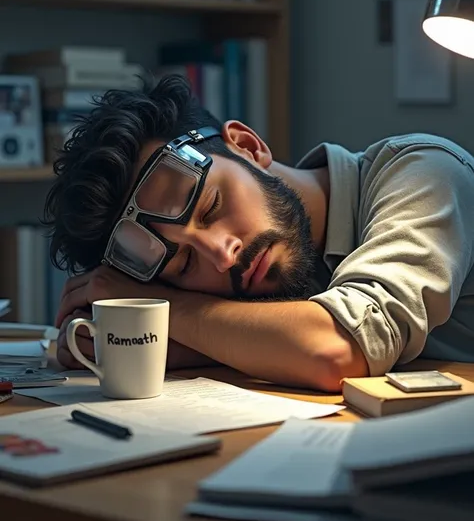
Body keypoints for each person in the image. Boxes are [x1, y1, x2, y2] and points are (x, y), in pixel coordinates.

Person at [46, 74, 474, 392]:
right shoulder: (263, 289)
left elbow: (337, 349)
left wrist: (161, 311)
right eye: (184, 262)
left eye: (212, 207)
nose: (223, 255)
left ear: (248, 146)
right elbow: (295, 345)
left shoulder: (423, 171)